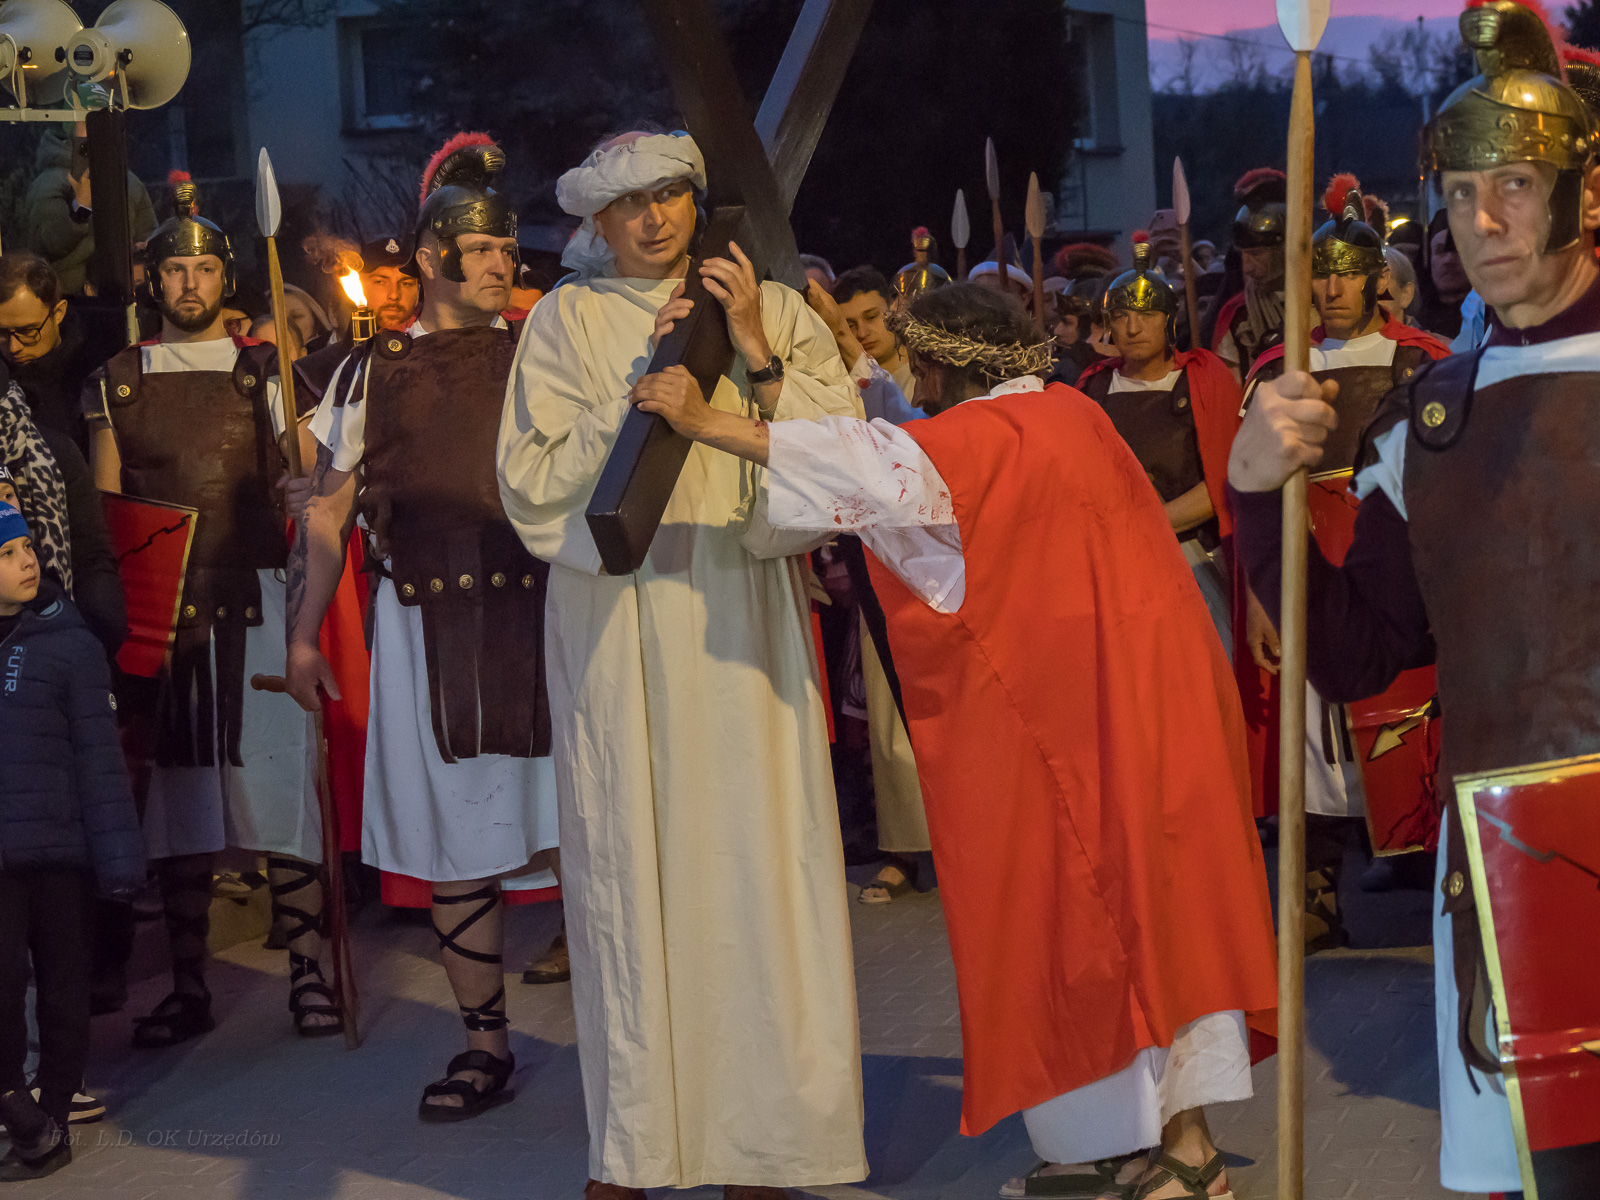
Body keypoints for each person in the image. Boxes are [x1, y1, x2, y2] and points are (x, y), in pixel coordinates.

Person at [634, 280, 1278, 1200]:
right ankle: (1135, 1142)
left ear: (943, 364)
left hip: (1061, 729)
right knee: (1156, 910)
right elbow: (870, 460)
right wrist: (766, 361)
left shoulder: (981, 439)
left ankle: (1184, 1152)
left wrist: (706, 421)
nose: (919, 384)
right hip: (1143, 703)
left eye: (923, 367)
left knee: (1103, 919)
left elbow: (861, 471)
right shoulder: (1071, 414)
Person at [1229, 5, 1596, 1192]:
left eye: (1515, 187)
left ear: (1584, 194)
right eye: (1460, 192)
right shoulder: (1427, 422)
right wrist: (1257, 500)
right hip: (1505, 869)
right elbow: (1360, 655)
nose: (1480, 223)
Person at [498, 128, 866, 1197]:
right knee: (631, 869)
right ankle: (637, 1147)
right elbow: (527, 478)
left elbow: (842, 456)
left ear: (696, 202)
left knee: (755, 868)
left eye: (668, 195)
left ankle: (764, 1146)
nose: (652, 219)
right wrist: (636, 385)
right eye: (628, 204)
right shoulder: (564, 319)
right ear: (596, 221)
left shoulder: (772, 304)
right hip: (617, 616)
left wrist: (750, 347)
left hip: (737, 608)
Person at [284, 132, 559, 1121]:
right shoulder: (371, 371)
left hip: (545, 618)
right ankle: (485, 1046)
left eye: (507, 249)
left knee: (583, 828)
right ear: (433, 257)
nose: (500, 265)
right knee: (454, 841)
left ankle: (631, 1033)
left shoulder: (545, 355)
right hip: (421, 624)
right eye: (480, 250)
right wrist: (302, 635)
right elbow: (326, 511)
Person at [83, 175, 335, 1047]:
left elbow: (312, 473)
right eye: (173, 269)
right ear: (152, 281)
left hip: (256, 595)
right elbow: (112, 513)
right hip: (167, 612)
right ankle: (189, 986)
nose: (188, 283)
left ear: (226, 277)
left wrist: (306, 483)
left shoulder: (265, 370)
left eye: (203, 268)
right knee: (181, 803)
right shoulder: (116, 382)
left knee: (280, 786)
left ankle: (309, 973)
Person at [1235, 176, 1451, 950]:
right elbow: (1255, 491)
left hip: (1394, 560)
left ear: (1375, 280)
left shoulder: (1424, 361)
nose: (1331, 289)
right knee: (1310, 734)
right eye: (1319, 276)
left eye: (1347, 274)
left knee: (1410, 728)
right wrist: (1261, 598)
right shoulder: (1278, 371)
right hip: (1310, 561)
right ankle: (1318, 893)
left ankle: (1439, 887)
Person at [0, 502, 143, 1181]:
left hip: (60, 852)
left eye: (27, 546)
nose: (27, 560)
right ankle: (14, 1103)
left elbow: (99, 761)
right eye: (7, 553)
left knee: (63, 989)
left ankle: (51, 1117)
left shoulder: (69, 643)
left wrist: (119, 862)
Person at [1074, 235, 1242, 645]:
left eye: (1146, 315)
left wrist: (1147, 526)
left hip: (1192, 557)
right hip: (1112, 561)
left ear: (1168, 319)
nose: (1133, 328)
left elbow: (1226, 479)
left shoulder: (1204, 379)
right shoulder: (1091, 388)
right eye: (1121, 316)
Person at [0, 251, 123, 450]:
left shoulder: (99, 366)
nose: (14, 346)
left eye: (28, 331)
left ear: (58, 313)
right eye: (2, 333)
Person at [22, 126, 157, 298]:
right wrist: (81, 210)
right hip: (70, 297)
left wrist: (144, 247)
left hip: (125, 292)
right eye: (84, 119)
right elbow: (50, 242)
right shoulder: (50, 182)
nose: (95, 126)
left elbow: (148, 230)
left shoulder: (128, 181)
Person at [1212, 168, 1288, 382]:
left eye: (1256, 254)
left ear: (1284, 249)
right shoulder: (1237, 315)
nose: (1247, 268)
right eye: (1243, 254)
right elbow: (1228, 386)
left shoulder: (1325, 302)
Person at [833, 265, 915, 400]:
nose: (862, 333)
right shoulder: (845, 389)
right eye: (851, 326)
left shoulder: (926, 375)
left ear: (894, 310)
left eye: (871, 317)